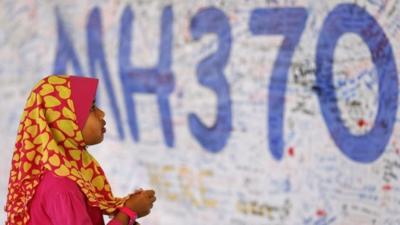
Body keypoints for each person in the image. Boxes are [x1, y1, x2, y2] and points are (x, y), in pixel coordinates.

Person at [4, 75, 156, 225]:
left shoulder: (67, 170)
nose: (101, 113)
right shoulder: (62, 186)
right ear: (63, 121)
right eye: (91, 108)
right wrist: (128, 212)